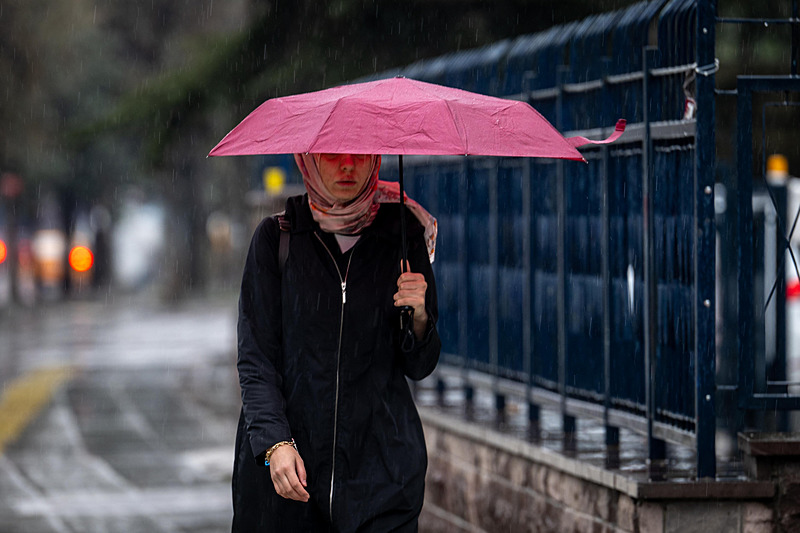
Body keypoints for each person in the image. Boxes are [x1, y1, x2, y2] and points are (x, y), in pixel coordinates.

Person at [232, 153, 441, 532]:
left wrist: (421, 316)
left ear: (376, 159)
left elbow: (419, 365)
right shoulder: (277, 238)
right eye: (332, 155)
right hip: (288, 486)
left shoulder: (403, 237)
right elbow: (255, 358)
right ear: (308, 160)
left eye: (360, 154)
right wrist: (275, 445)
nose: (348, 166)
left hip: (383, 481)